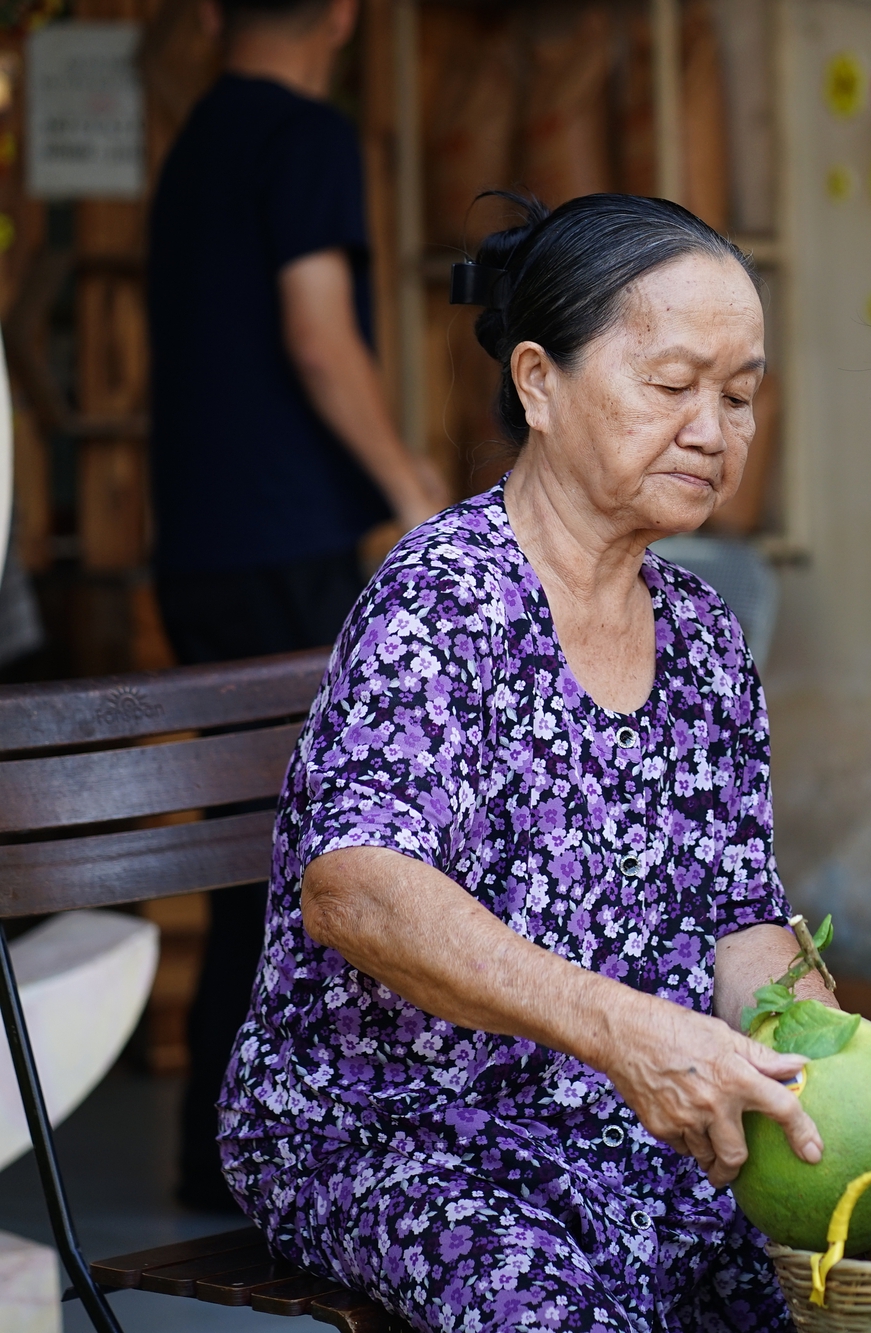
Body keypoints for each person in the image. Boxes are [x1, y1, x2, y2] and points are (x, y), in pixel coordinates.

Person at [217, 194, 819, 1332]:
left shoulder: (703, 634)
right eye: (672, 384)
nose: (712, 429)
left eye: (739, 396)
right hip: (396, 1128)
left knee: (822, 1290)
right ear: (538, 383)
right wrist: (622, 1031)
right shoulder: (443, 600)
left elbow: (740, 918)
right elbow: (356, 888)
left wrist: (823, 1069)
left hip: (620, 1123)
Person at [148, 0, 447, 1210]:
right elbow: (320, 338)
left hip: (198, 551)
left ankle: (212, 1149)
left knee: (252, 851)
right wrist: (410, 488)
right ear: (342, 13)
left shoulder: (192, 142)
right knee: (331, 854)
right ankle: (276, 1154)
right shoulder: (304, 137)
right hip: (287, 546)